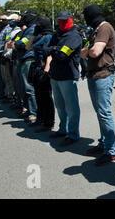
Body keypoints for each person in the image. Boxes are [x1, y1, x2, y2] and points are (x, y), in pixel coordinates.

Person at [81, 4, 115, 166]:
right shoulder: (96, 29)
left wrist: (88, 49)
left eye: (86, 15)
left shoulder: (104, 28)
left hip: (103, 75)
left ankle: (111, 150)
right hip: (94, 74)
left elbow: (94, 52)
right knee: (100, 112)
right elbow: (83, 53)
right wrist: (89, 49)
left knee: (104, 113)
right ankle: (104, 143)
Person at [45, 10, 83, 146]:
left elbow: (62, 55)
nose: (62, 23)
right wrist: (56, 49)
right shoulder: (57, 34)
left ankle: (73, 134)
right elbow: (45, 49)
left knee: (71, 108)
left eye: (64, 20)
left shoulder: (74, 36)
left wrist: (54, 50)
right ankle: (63, 129)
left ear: (70, 19)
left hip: (68, 76)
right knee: (60, 106)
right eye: (60, 20)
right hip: (55, 75)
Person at [27, 16, 55, 132]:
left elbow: (50, 54)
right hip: (37, 68)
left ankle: (48, 123)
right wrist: (34, 35)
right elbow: (28, 47)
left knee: (46, 97)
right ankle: (40, 119)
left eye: (39, 24)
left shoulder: (49, 37)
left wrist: (46, 71)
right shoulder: (39, 36)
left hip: (44, 70)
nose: (37, 26)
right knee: (38, 96)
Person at [13, 10, 38, 124]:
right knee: (24, 88)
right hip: (22, 59)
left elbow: (22, 43)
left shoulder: (32, 29)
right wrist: (16, 43)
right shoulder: (27, 29)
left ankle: (33, 113)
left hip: (28, 59)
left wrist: (16, 44)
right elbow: (16, 41)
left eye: (26, 16)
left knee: (29, 88)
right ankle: (29, 110)